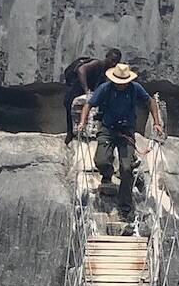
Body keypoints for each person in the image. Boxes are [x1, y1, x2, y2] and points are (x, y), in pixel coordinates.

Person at [77, 61, 164, 222]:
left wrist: (157, 123)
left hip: (126, 131)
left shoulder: (135, 88)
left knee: (126, 168)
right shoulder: (105, 88)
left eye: (124, 82)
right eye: (119, 82)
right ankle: (107, 175)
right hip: (108, 129)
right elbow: (89, 104)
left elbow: (150, 101)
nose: (121, 85)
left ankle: (125, 206)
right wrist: (82, 122)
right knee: (101, 160)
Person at [62, 48, 121, 143]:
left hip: (91, 93)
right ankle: (70, 134)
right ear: (106, 57)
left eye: (116, 62)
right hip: (78, 88)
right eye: (112, 60)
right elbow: (81, 70)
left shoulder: (109, 72)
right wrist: (86, 90)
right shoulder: (98, 64)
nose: (114, 64)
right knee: (71, 108)